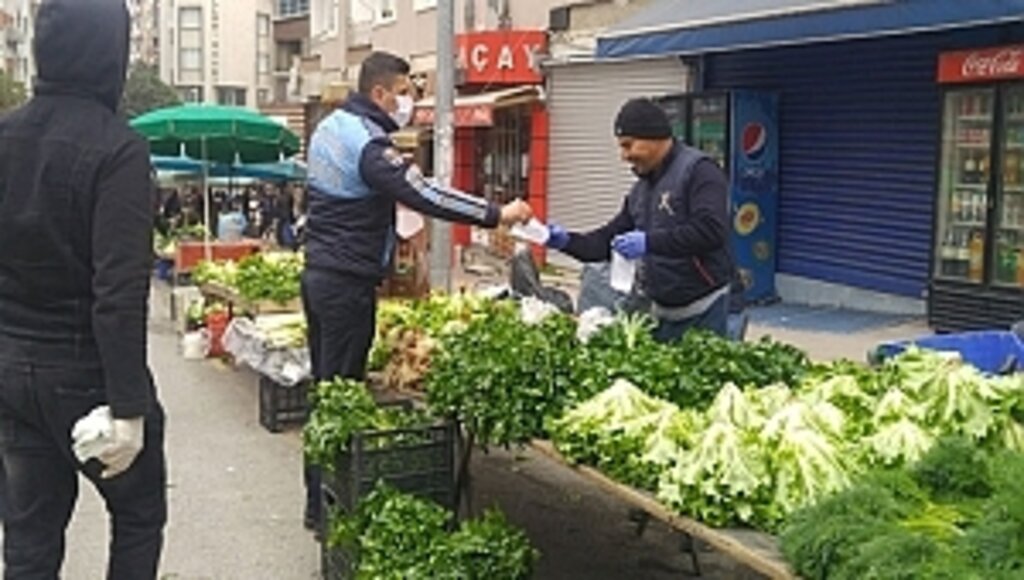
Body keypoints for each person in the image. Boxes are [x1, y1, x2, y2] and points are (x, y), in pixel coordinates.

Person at [302, 51, 532, 529]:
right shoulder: (369, 143)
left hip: (320, 274)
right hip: (346, 284)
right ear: (381, 93)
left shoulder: (329, 127)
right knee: (340, 393)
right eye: (405, 92)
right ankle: (329, 508)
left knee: (325, 388)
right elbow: (426, 194)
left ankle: (317, 500)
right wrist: (497, 215)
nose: (410, 102)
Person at [0, 0, 167, 577]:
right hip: (86, 373)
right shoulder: (118, 148)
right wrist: (129, 406)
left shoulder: (5, 135)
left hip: (11, 368)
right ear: (112, 54)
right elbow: (118, 291)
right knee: (139, 512)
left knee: (28, 534)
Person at [547, 98, 734, 343]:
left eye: (628, 145)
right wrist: (565, 241)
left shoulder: (700, 171)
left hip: (707, 309)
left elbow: (710, 230)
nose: (624, 156)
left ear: (653, 137)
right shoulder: (641, 190)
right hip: (662, 311)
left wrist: (650, 242)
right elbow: (605, 242)